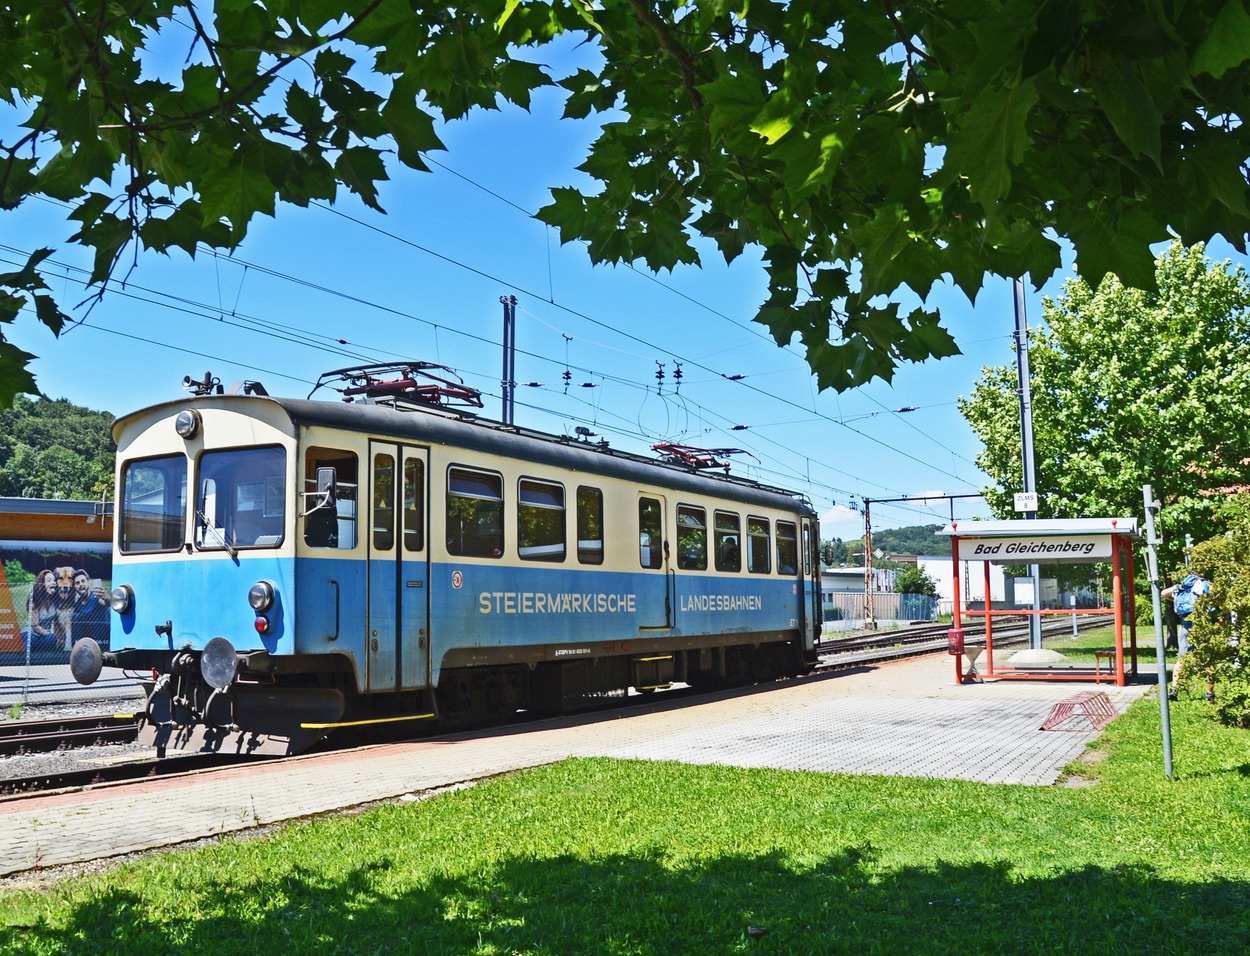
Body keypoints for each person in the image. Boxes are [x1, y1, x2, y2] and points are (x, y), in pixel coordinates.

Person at [1162, 571, 1214, 702]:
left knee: (1182, 658)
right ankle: (1209, 693)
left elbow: (1164, 593)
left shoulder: (1183, 585)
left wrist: (1175, 597)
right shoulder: (1206, 584)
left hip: (1185, 624)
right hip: (1203, 625)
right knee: (1208, 659)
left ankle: (1174, 689)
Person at [70, 568, 110, 649]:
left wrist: (105, 597)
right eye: (77, 583)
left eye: (83, 581)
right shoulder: (78, 603)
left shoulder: (96, 596)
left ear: (88, 582)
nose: (81, 584)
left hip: (101, 639)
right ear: (75, 587)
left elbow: (108, 602)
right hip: (85, 640)